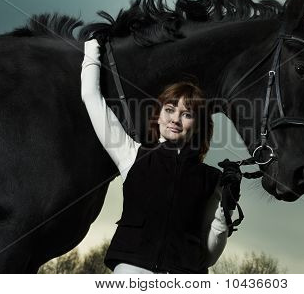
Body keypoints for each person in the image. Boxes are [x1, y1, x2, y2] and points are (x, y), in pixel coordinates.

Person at [80, 39, 242, 274]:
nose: (176, 119)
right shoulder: (130, 153)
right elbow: (91, 96)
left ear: (198, 125)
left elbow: (207, 257)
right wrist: (92, 45)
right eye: (169, 109)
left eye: (187, 114)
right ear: (158, 115)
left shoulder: (213, 179)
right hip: (132, 272)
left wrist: (224, 214)